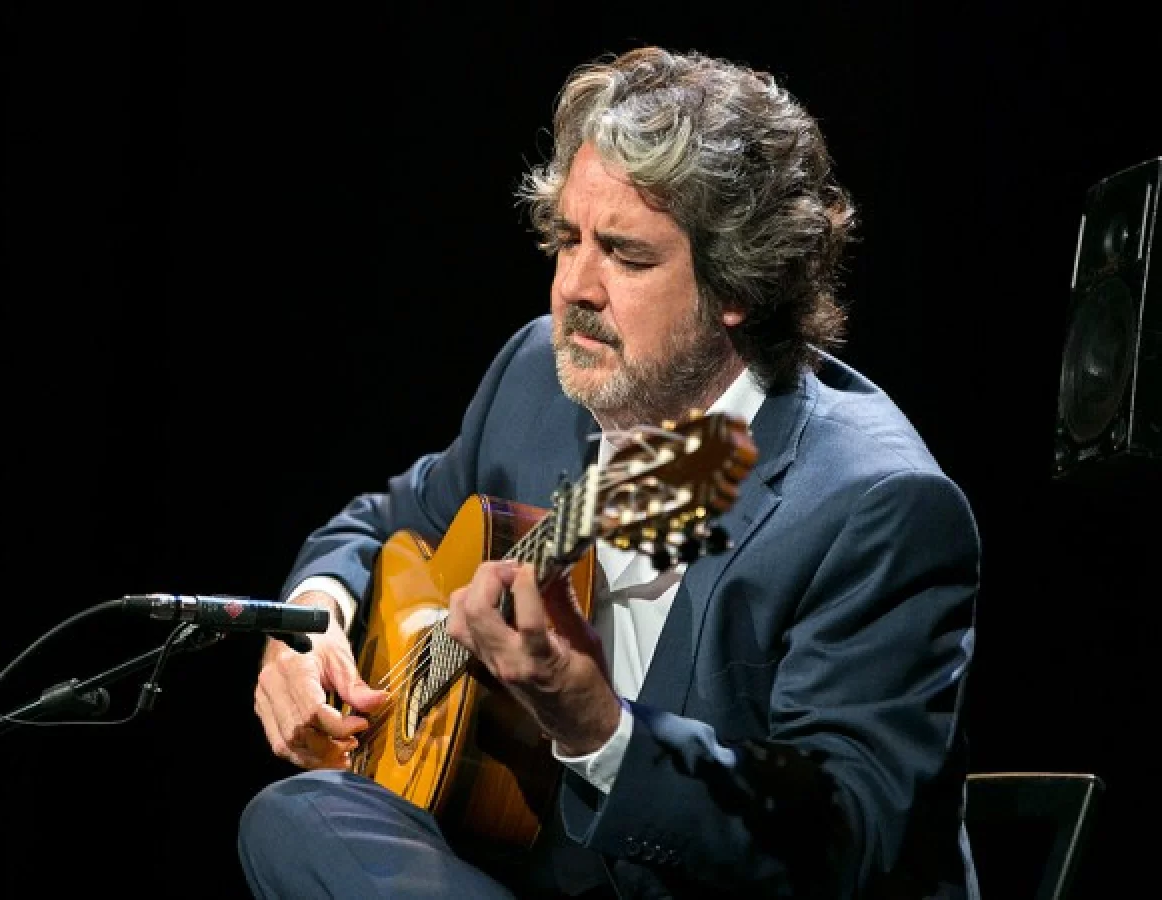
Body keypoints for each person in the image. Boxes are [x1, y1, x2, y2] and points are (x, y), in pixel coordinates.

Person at [237, 46, 981, 899]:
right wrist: (311, 625)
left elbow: (851, 838)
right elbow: (379, 525)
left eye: (626, 255)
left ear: (738, 286)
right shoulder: (537, 376)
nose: (574, 289)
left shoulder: (874, 502)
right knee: (297, 815)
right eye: (568, 240)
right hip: (529, 869)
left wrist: (598, 727)